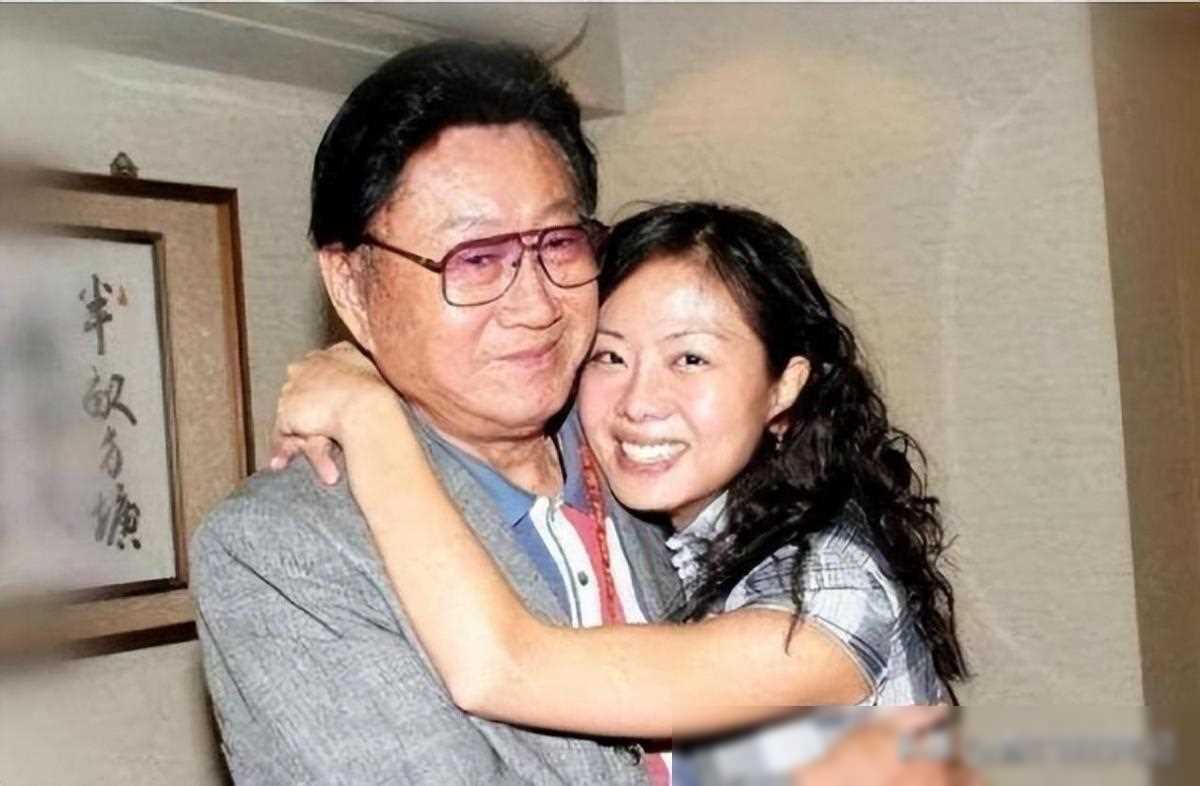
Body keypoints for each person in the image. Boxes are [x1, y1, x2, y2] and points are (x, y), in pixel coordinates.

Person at [192, 37, 977, 786]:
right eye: (476, 258)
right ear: (352, 285)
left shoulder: (666, 471)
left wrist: (367, 410)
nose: (536, 305)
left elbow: (507, 666)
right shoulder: (285, 550)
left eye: (558, 244)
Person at [269, 203, 969, 778]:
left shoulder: (830, 591)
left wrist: (368, 416)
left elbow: (502, 669)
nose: (639, 402)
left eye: (689, 358)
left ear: (783, 387)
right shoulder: (686, 542)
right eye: (609, 355)